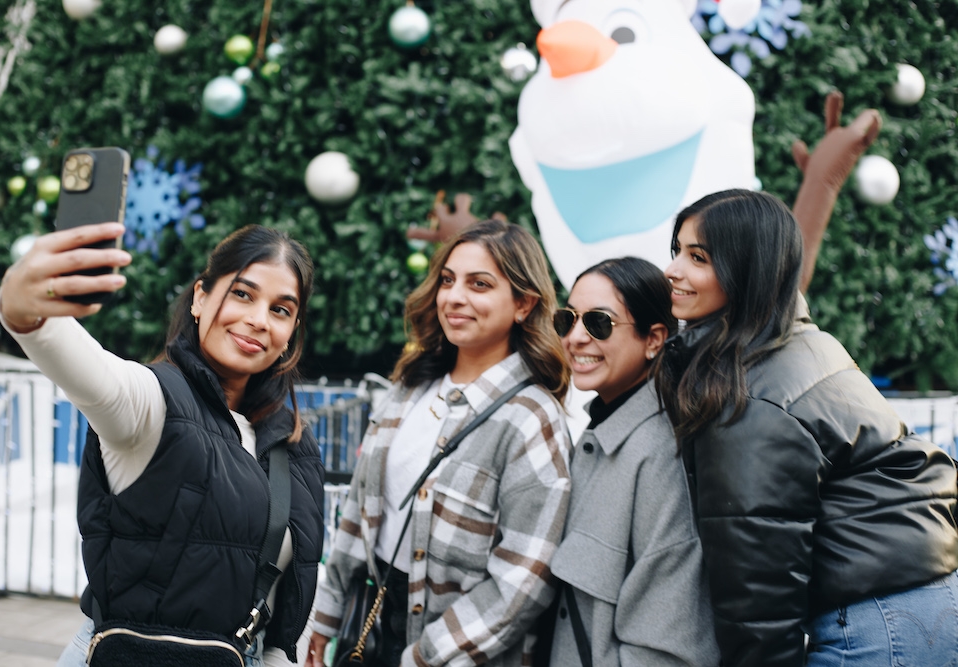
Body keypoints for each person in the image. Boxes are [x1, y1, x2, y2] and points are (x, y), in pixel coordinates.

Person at [0, 222, 326, 667]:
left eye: (281, 310)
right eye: (243, 294)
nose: (258, 320)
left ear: (291, 332)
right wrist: (22, 305)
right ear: (200, 297)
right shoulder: (151, 403)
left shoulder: (293, 446)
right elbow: (79, 362)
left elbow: (282, 600)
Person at [656, 189, 958, 667]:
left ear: (747, 269)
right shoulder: (800, 344)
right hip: (929, 594)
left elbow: (758, 576)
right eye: (676, 251)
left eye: (699, 257)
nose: (673, 269)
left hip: (876, 618)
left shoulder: (749, 390)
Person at [307, 219, 573, 667]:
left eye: (480, 284)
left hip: (462, 650)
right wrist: (327, 612)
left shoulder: (531, 418)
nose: (454, 297)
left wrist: (427, 656)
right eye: (448, 280)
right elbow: (361, 508)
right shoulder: (411, 386)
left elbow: (524, 578)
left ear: (524, 304)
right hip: (371, 629)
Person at [547, 257, 720, 667]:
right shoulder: (601, 431)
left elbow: (668, 647)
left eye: (599, 323)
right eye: (566, 319)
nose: (575, 337)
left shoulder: (660, 453)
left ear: (654, 339)